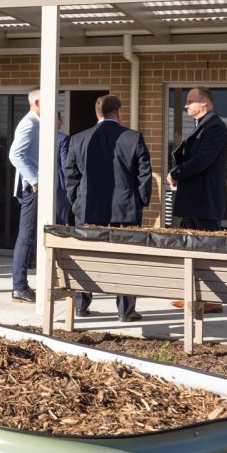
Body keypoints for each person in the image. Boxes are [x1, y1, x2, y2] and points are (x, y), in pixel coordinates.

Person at [63, 94, 152, 322]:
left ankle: (82, 305)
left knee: (86, 257)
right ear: (119, 112)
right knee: (125, 260)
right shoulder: (133, 138)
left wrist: (77, 203)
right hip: (125, 212)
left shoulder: (78, 139)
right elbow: (144, 174)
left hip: (88, 210)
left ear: (97, 114)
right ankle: (125, 310)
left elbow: (70, 177)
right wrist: (140, 203)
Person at [167, 86, 227, 231]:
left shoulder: (215, 127)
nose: (185, 105)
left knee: (208, 249)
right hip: (195, 204)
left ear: (203, 102)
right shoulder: (204, 126)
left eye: (190, 101)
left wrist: (176, 173)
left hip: (204, 204)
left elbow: (201, 160)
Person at [8, 88, 41, 303]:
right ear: (38, 102)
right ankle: (19, 287)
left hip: (34, 188)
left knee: (30, 236)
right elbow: (15, 154)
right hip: (31, 189)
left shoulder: (37, 122)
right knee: (26, 236)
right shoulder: (29, 123)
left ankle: (22, 284)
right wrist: (35, 180)